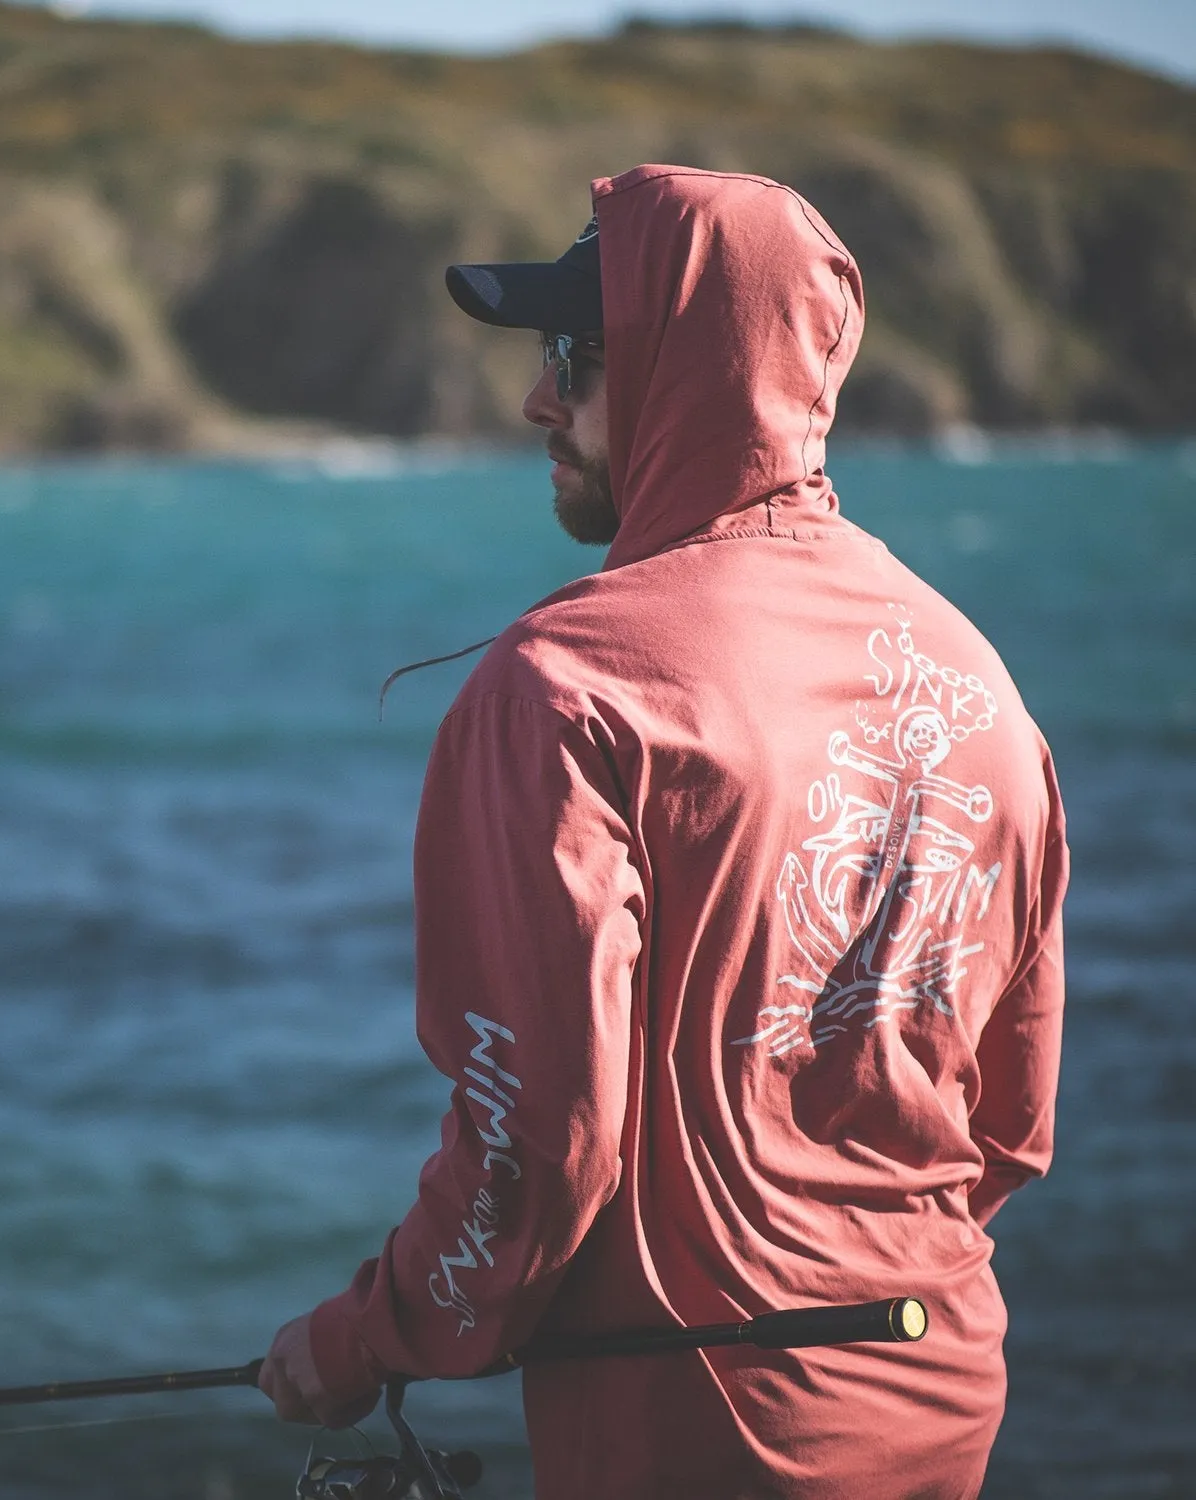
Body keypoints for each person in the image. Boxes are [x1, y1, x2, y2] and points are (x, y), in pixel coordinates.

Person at [258, 164, 1067, 1499]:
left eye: (575, 358)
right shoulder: (980, 681)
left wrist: (363, 1337)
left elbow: (541, 1151)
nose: (535, 398)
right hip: (939, 1400)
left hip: (699, 1438)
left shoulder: (567, 688)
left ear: (685, 368)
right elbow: (1011, 1131)